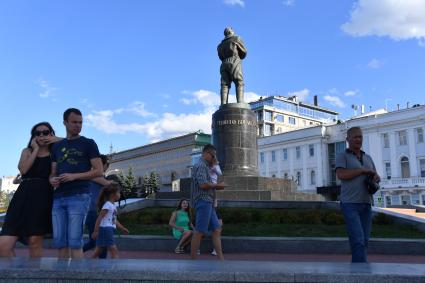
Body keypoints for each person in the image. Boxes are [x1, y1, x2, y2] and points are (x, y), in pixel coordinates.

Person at [49, 108, 103, 259]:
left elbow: (99, 170)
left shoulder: (88, 143)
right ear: (65, 123)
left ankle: (77, 276)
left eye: (80, 122)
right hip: (58, 197)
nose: (78, 125)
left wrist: (74, 176)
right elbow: (53, 172)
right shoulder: (57, 147)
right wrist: (51, 179)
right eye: (74, 122)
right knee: (60, 242)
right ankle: (61, 277)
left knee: (74, 242)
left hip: (79, 195)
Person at [0, 122, 59, 257]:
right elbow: (24, 170)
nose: (42, 135)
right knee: (3, 245)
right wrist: (36, 149)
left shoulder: (55, 152)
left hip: (43, 196)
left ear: (51, 134)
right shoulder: (27, 151)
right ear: (33, 137)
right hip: (23, 195)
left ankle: (32, 275)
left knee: (34, 241)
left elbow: (75, 142)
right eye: (38, 133)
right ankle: (14, 274)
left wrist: (58, 140)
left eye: (46, 132)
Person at [335, 126, 380, 263]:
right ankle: (361, 273)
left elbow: (376, 175)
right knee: (358, 240)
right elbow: (341, 174)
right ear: (348, 139)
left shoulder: (368, 157)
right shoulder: (342, 156)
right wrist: (361, 171)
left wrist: (375, 178)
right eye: (355, 137)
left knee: (364, 240)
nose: (358, 139)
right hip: (350, 204)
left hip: (366, 204)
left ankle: (358, 270)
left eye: (360, 136)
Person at [190, 144, 226, 260]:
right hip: (203, 201)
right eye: (212, 155)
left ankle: (221, 259)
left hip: (208, 202)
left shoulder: (205, 166)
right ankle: (193, 261)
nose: (214, 158)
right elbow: (203, 184)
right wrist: (218, 186)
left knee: (216, 230)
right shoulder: (201, 165)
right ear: (205, 153)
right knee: (199, 232)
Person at [83, 154, 112, 258]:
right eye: (106, 164)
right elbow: (109, 185)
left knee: (96, 240)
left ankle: (76, 254)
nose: (107, 167)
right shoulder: (93, 175)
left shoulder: (97, 176)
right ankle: (76, 254)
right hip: (93, 212)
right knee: (98, 240)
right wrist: (111, 183)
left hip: (97, 211)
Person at [91, 183, 129, 259]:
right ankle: (114, 268)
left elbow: (114, 220)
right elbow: (100, 217)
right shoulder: (108, 205)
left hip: (107, 229)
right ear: (112, 194)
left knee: (99, 249)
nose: (120, 194)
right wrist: (95, 231)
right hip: (106, 229)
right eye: (118, 192)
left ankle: (90, 262)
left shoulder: (112, 205)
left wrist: (122, 228)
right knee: (113, 249)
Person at [217, 27, 247, 105]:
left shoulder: (220, 45)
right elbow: (244, 52)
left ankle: (223, 104)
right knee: (239, 82)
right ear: (231, 31)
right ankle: (240, 102)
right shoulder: (237, 38)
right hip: (234, 61)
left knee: (224, 84)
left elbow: (220, 57)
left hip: (224, 64)